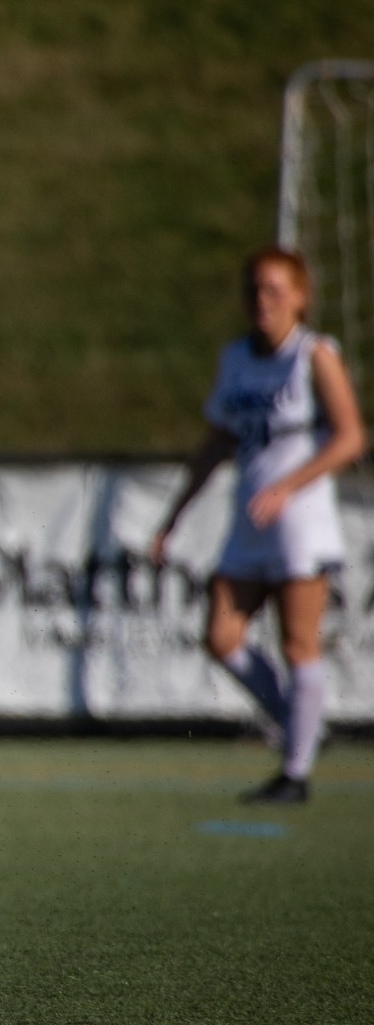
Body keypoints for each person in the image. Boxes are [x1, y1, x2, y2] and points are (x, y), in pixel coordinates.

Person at [151, 247, 365, 804]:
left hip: (299, 522)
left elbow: (350, 438)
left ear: (299, 296)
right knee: (221, 636)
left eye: (274, 290)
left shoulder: (313, 355)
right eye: (254, 290)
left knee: (299, 646)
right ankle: (302, 727)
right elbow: (219, 440)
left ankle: (294, 773)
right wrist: (174, 516)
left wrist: (288, 486)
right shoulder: (235, 359)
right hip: (249, 520)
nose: (261, 301)